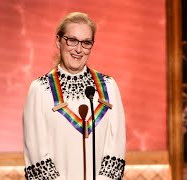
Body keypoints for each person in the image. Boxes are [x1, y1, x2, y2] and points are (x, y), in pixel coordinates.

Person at [22, 12, 126, 180]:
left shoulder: (109, 86)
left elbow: (116, 150)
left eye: (86, 43)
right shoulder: (39, 90)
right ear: (58, 41)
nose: (78, 49)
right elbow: (37, 155)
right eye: (72, 40)